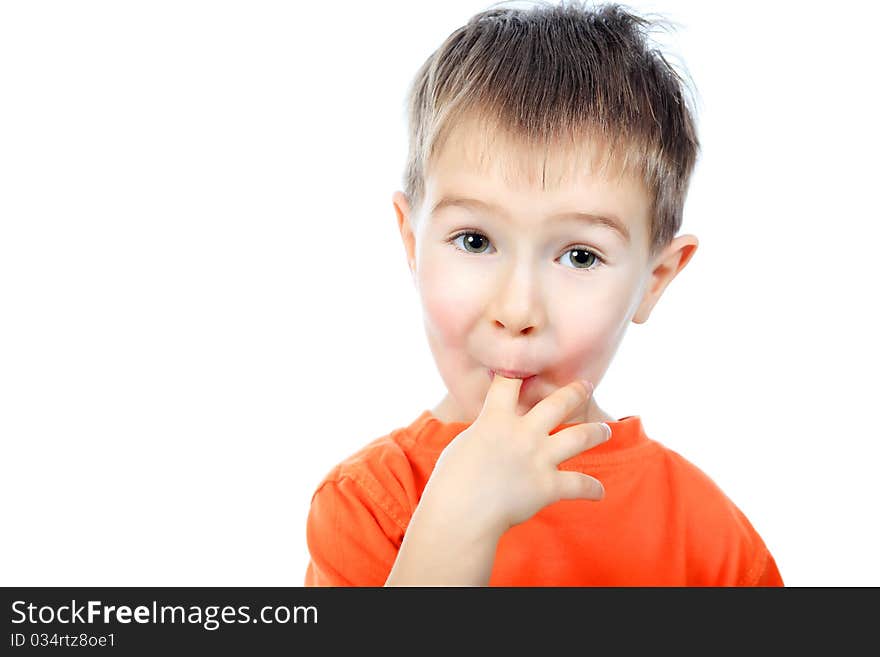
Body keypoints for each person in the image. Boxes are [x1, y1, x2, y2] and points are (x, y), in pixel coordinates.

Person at [304, 0, 783, 586]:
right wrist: (451, 530)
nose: (517, 310)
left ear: (653, 281)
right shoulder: (372, 507)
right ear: (411, 240)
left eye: (580, 255)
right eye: (475, 241)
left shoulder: (709, 542)